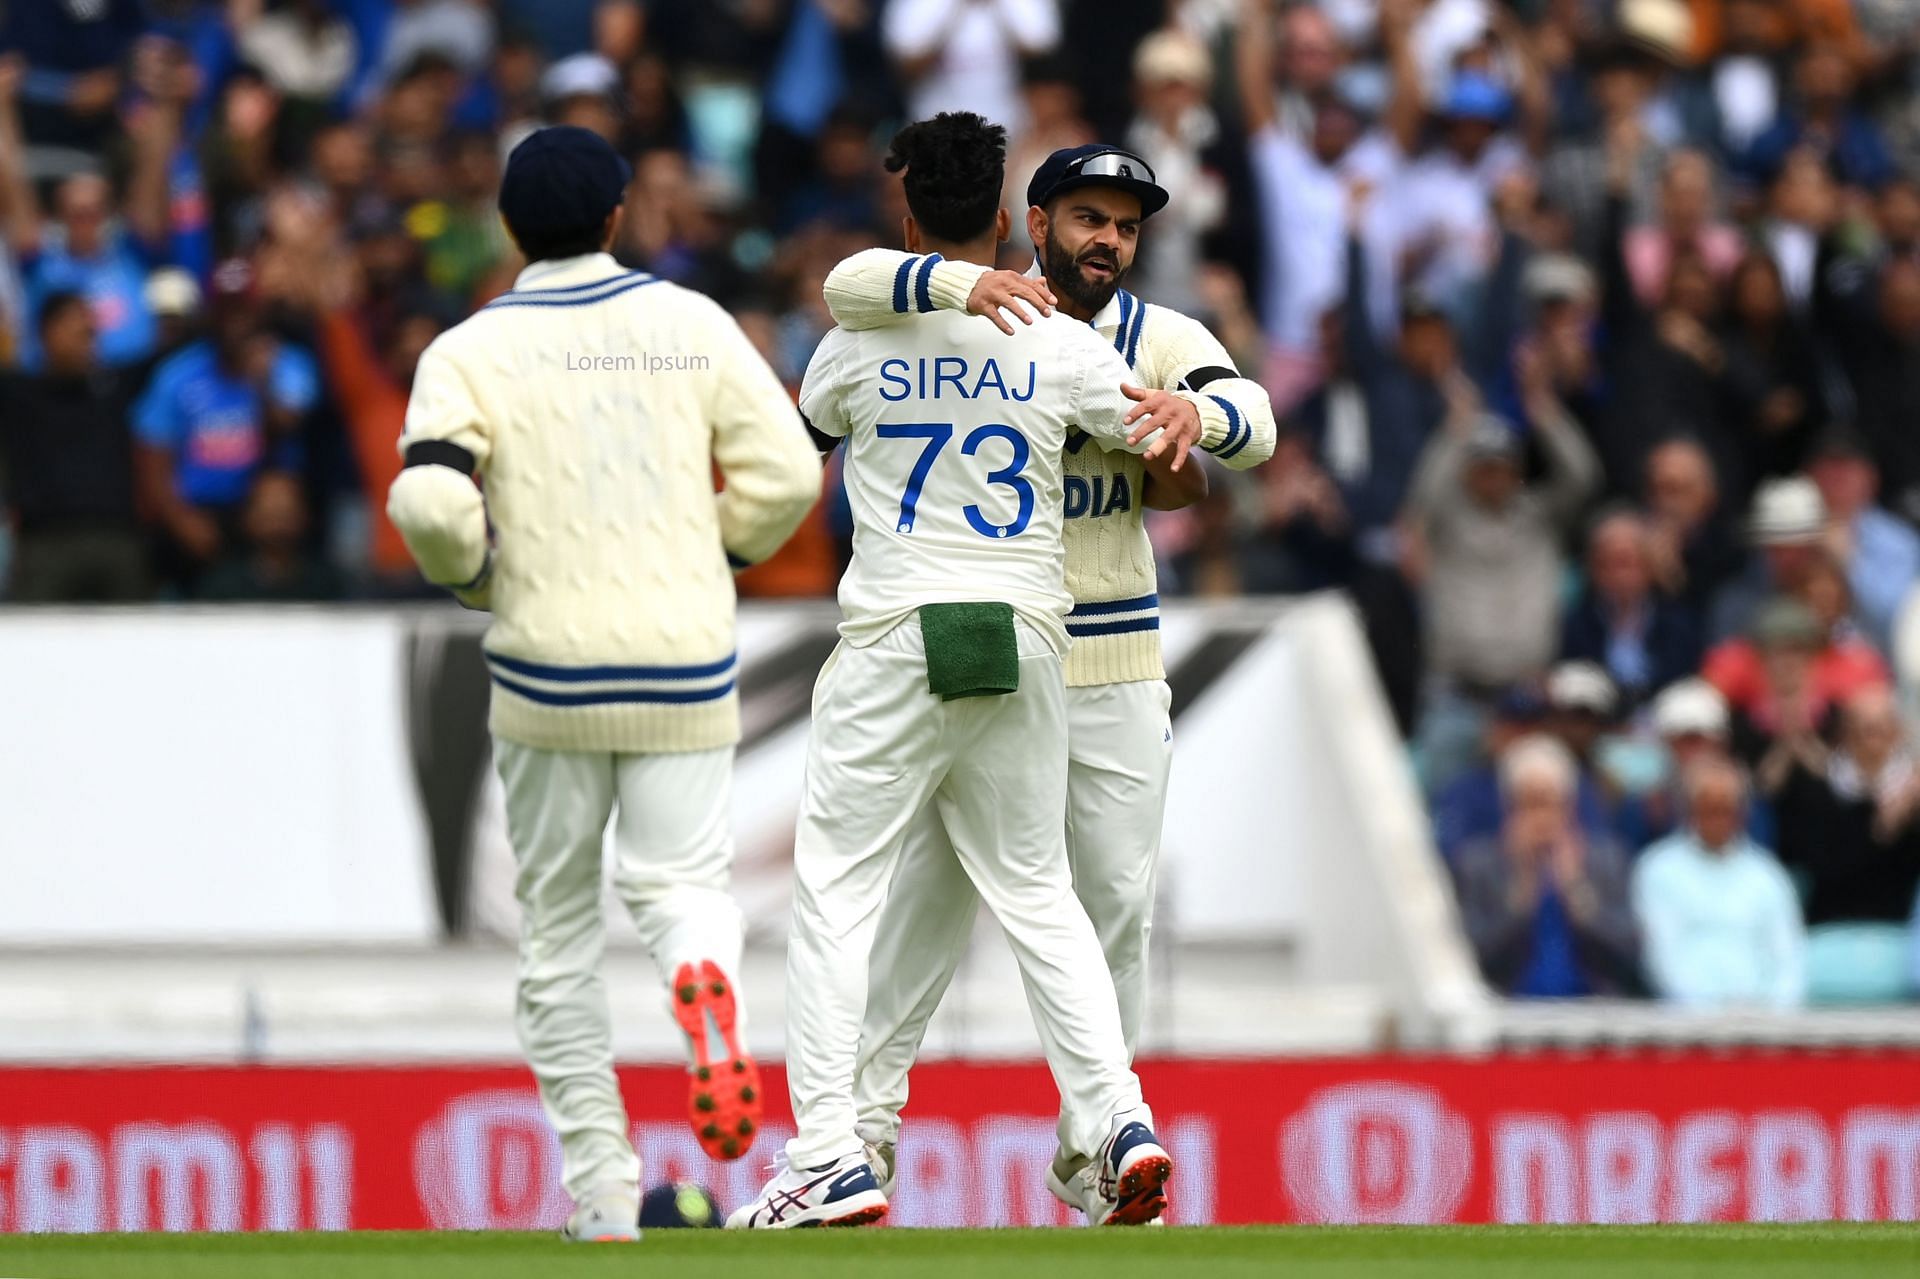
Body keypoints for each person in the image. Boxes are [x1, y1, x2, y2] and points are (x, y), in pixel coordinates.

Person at [730, 113, 1200, 1232]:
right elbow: (1159, 452)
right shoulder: (1063, 342)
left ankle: (829, 1152)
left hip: (899, 629)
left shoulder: (853, 340)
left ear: (906, 217)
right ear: (1008, 222)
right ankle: (1117, 1117)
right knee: (1037, 890)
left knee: (838, 892)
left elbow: (811, 416)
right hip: (1030, 631)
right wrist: (1188, 413)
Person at [813, 136, 1275, 1223]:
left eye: (1126, 225)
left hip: (1109, 660)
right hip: (996, 648)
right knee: (928, 911)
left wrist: (1192, 418)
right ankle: (865, 1133)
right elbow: (852, 287)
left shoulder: (1161, 337)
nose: (1108, 240)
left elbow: (1247, 421)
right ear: (1039, 221)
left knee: (1110, 908)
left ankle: (1091, 1148)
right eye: (1088, 219)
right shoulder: (973, 320)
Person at [386, 126, 821, 1243]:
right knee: (684, 889)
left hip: (546, 673)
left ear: (508, 227)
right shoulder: (689, 324)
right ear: (621, 218)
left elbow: (433, 507)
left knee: (558, 939)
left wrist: (480, 574)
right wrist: (711, 554)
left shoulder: (470, 350)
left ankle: (606, 1199)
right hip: (682, 660)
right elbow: (785, 470)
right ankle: (700, 985)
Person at [1450, 733, 1643, 997]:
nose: (1541, 818)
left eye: (1549, 803)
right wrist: (1522, 885)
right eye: (1529, 803)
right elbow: (1473, 959)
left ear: (1569, 807)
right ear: (1509, 807)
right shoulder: (1478, 864)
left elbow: (1628, 954)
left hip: (1593, 1014)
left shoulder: (1606, 859)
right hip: (1507, 1016)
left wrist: (1576, 890)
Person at [1761, 685, 1920, 1002]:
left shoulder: (1915, 799)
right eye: (1865, 730)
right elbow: (1822, 868)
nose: (1874, 740)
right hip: (1827, 937)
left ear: (1898, 733)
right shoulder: (1814, 792)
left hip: (1903, 940)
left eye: (1882, 729)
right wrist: (1882, 827)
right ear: (1846, 734)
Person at [0, 291, 146, 602]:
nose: (87, 340)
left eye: (91, 333)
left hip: (116, 538)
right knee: (33, 643)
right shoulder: (18, 393)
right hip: (45, 542)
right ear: (45, 332)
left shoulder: (114, 388)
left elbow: (173, 351)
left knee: (135, 642)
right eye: (76, 329)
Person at [1633, 756, 1806, 1009]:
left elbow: (1788, 959)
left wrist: (1772, 1015)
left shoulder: (1768, 875)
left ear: (1742, 813)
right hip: (1684, 1025)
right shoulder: (1657, 869)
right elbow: (1661, 958)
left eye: (1725, 809)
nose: (1717, 819)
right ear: (1689, 809)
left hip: (1763, 1026)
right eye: (1708, 809)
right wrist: (1710, 1015)